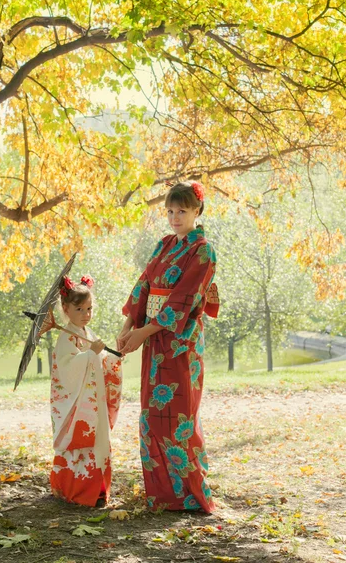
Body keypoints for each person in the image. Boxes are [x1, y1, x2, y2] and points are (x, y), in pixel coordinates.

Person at [118, 181, 219, 513]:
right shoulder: (164, 245)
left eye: (182, 211)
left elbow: (184, 299)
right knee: (151, 417)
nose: (175, 217)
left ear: (196, 212)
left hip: (179, 341)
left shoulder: (202, 250)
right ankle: (162, 495)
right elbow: (144, 284)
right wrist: (128, 326)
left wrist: (144, 331)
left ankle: (189, 494)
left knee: (178, 417)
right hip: (152, 336)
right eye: (171, 211)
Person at [50, 274, 122, 507]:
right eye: (79, 309)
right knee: (81, 442)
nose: (86, 314)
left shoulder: (86, 334)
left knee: (98, 439)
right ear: (66, 309)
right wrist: (91, 354)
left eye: (89, 308)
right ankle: (77, 489)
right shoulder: (65, 337)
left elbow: (97, 361)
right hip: (78, 404)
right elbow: (67, 369)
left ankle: (98, 488)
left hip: (94, 399)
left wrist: (111, 358)